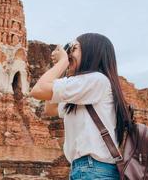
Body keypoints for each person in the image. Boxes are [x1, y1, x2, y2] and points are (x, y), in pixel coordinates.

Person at [29, 33, 133, 179]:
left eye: (74, 48)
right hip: (86, 169)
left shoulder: (96, 80)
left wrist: (62, 63)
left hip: (94, 169)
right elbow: (50, 109)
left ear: (91, 53)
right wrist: (60, 69)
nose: (70, 53)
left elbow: (38, 90)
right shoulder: (85, 89)